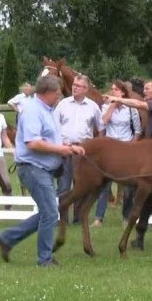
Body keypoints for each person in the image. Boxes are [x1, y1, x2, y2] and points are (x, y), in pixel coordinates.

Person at [0, 75, 86, 267]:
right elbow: (33, 143)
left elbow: (50, 138)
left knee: (49, 212)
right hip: (33, 168)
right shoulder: (32, 111)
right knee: (51, 214)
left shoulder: (48, 110)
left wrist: (68, 145)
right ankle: (44, 259)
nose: (59, 97)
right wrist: (62, 150)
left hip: (42, 169)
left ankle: (8, 238)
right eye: (58, 94)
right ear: (49, 93)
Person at [54, 73, 103, 223]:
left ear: (86, 89)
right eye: (74, 85)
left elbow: (101, 129)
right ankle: (61, 218)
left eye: (79, 86)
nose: (75, 88)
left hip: (83, 151)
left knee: (81, 186)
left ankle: (78, 218)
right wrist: (59, 144)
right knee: (63, 184)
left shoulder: (93, 107)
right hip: (65, 149)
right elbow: (54, 126)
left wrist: (96, 148)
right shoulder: (63, 104)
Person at [92, 80, 142, 227]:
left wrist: (132, 145)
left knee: (128, 186)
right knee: (104, 184)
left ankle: (126, 218)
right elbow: (104, 121)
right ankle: (98, 218)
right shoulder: (106, 106)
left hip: (126, 147)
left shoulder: (131, 108)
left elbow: (138, 130)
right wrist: (113, 105)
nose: (112, 91)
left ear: (123, 93)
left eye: (116, 90)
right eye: (112, 89)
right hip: (110, 148)